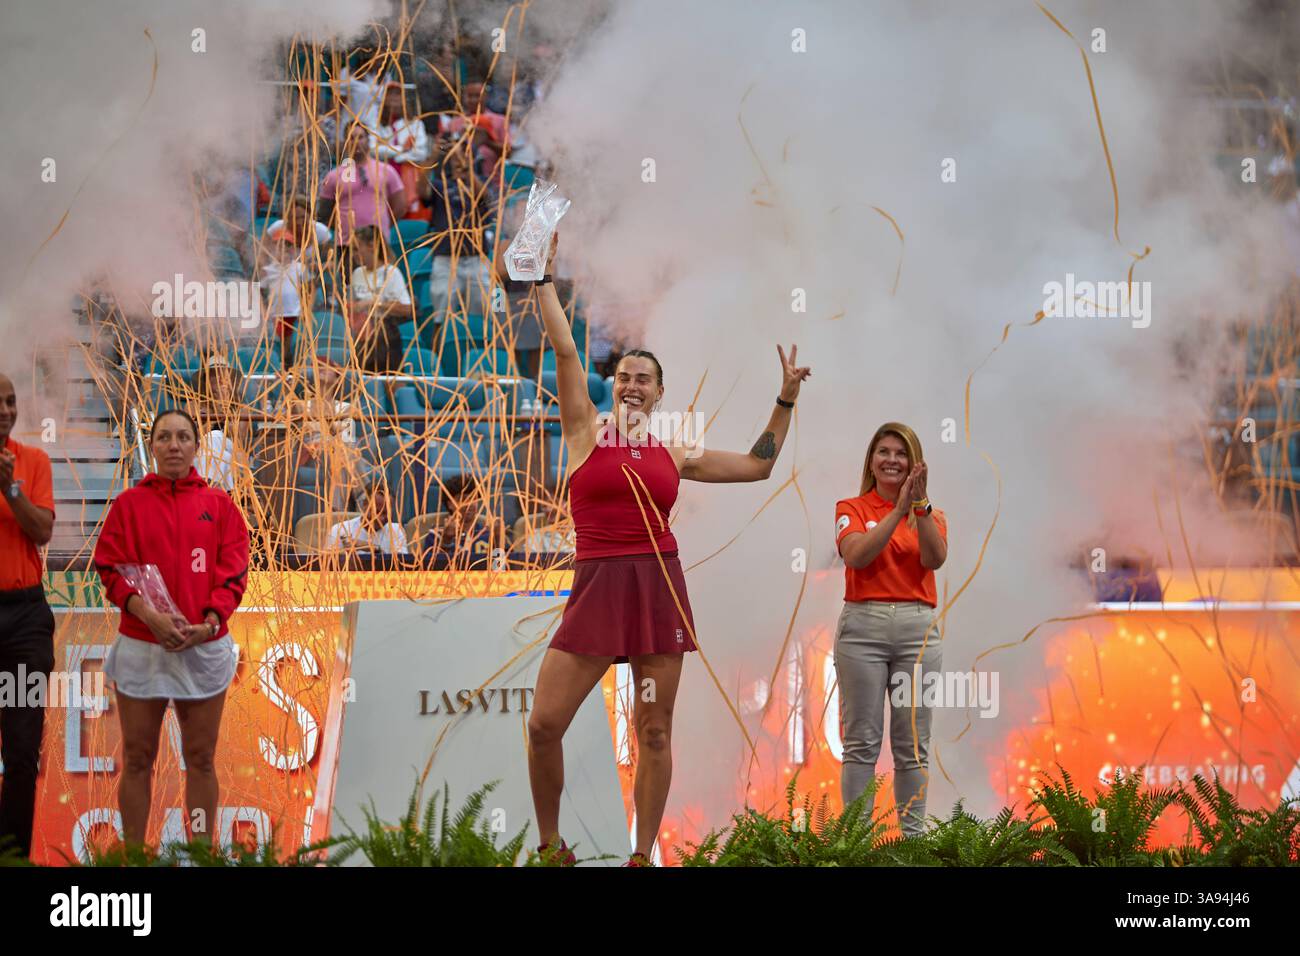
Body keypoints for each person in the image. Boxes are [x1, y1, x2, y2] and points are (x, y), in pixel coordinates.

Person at [519, 234, 811, 866]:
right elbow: (566, 351)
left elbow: (760, 466)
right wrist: (543, 280)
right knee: (544, 726)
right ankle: (550, 848)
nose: (630, 385)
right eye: (622, 376)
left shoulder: (675, 453)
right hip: (597, 590)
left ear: (658, 393)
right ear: (612, 385)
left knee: (654, 730)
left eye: (643, 379)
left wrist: (784, 398)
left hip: (657, 593)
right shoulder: (582, 433)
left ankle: (640, 856)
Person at [93, 408, 250, 849]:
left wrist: (212, 621)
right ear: (153, 446)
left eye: (183, 437)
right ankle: (134, 858)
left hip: (204, 646)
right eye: (165, 437)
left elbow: (234, 572)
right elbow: (109, 569)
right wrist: (150, 616)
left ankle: (201, 854)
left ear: (197, 447)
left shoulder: (220, 505)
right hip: (143, 645)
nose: (174, 445)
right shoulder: (128, 505)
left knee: (200, 760)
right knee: (137, 758)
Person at [833, 423, 948, 837]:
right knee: (861, 742)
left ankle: (913, 844)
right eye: (884, 452)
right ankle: (856, 844)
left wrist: (918, 508)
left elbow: (935, 560)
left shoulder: (931, 515)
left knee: (913, 745)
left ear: (915, 463)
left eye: (901, 453)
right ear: (871, 460)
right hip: (863, 628)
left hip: (917, 630)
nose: (892, 460)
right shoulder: (852, 507)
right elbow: (857, 556)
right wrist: (897, 510)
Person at [0, 373, 56, 860]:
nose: (4, 409)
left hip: (24, 620)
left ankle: (12, 856)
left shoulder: (34, 461)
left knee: (21, 752)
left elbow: (42, 532)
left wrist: (10, 490)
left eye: (10, 401)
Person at [318, 125, 407, 247]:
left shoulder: (386, 170)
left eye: (360, 137)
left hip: (378, 245)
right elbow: (324, 213)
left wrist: (382, 226)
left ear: (368, 141)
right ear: (345, 142)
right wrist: (343, 227)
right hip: (346, 245)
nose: (356, 142)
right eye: (351, 138)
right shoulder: (333, 176)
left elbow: (401, 206)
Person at [347, 226, 413, 373]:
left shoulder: (391, 272)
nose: (354, 254)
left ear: (372, 246)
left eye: (357, 249)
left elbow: (406, 309)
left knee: (390, 382)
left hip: (385, 336)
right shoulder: (357, 273)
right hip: (361, 337)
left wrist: (375, 303)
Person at [371, 81, 432, 220]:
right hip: (383, 173)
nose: (394, 98)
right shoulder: (375, 123)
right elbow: (373, 150)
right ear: (383, 99)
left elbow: (420, 153)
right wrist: (401, 149)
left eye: (397, 95)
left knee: (409, 211)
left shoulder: (416, 123)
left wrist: (396, 157)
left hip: (409, 173)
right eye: (390, 95)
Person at [324, 475, 409, 556]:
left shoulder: (396, 531)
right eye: (377, 512)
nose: (382, 518)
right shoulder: (340, 530)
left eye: (386, 513)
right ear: (364, 505)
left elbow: (401, 567)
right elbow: (327, 567)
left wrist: (374, 548)